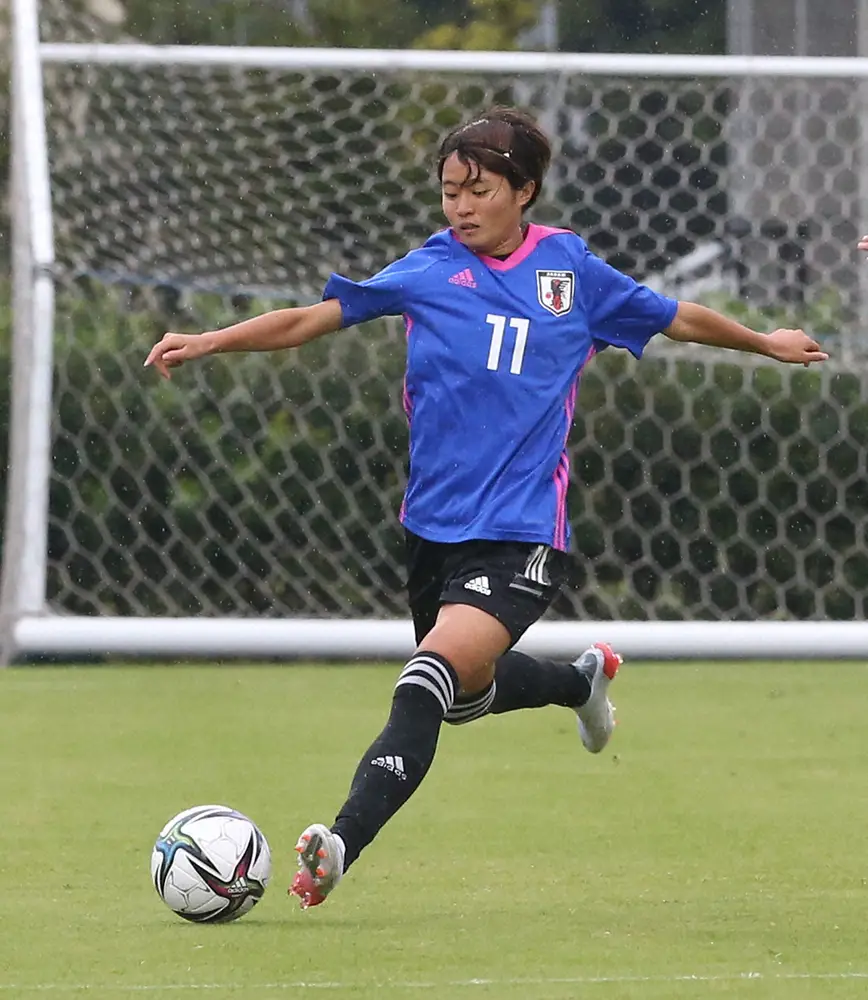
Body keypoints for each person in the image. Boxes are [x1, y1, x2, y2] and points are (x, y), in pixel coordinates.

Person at [145, 107, 829, 910]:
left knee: (424, 681)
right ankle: (580, 686)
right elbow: (311, 319)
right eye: (448, 192)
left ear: (524, 191)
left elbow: (676, 317)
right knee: (463, 697)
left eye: (478, 190)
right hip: (433, 533)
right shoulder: (427, 270)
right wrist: (212, 339)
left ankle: (338, 843)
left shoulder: (571, 274)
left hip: (523, 533)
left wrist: (764, 340)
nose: (461, 207)